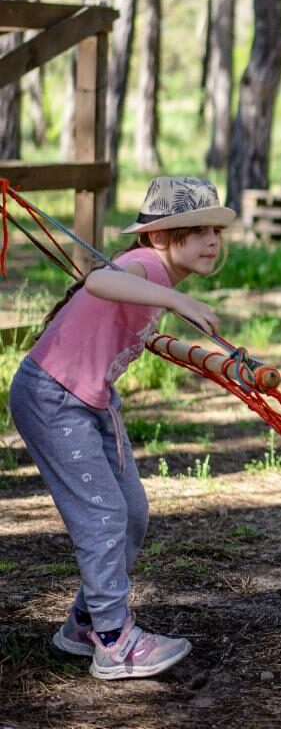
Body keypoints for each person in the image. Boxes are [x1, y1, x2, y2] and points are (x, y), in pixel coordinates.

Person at [9, 176, 233, 680]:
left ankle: (83, 625)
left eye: (215, 230)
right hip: (53, 397)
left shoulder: (157, 276)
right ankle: (113, 642)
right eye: (197, 230)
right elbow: (100, 281)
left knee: (130, 512)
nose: (213, 240)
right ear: (159, 237)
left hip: (91, 399)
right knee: (105, 516)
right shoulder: (145, 265)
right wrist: (175, 302)